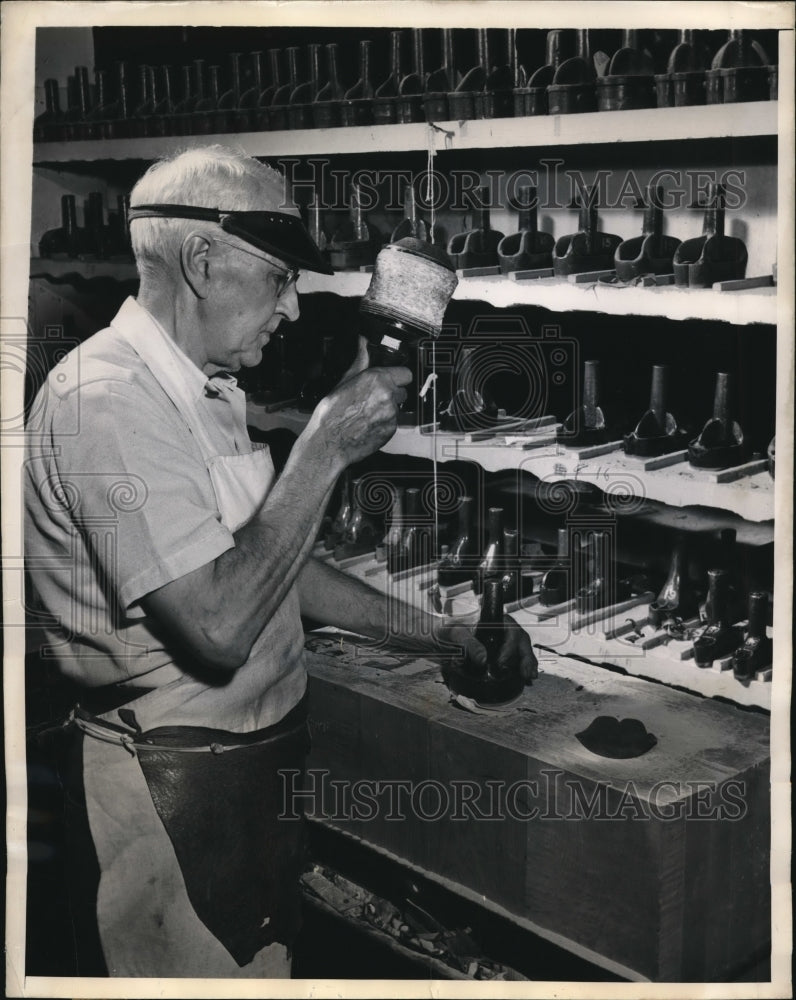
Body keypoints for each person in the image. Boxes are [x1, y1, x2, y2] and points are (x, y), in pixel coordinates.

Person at [24, 145, 537, 979]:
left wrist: (439, 637)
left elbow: (271, 568)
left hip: (245, 783)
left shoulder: (208, 389)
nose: (293, 309)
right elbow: (220, 627)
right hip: (163, 792)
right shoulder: (107, 403)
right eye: (279, 278)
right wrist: (324, 449)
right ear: (200, 260)